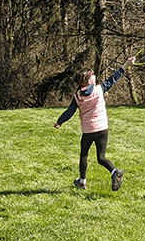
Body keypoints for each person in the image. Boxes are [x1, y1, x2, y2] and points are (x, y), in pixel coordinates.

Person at [54, 56, 135, 191]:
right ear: (87, 80)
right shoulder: (99, 89)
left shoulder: (78, 96)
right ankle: (114, 172)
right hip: (102, 129)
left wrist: (59, 122)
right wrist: (126, 64)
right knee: (101, 157)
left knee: (84, 155)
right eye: (92, 75)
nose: (94, 76)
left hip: (88, 131)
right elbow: (113, 79)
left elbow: (69, 112)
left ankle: (82, 181)